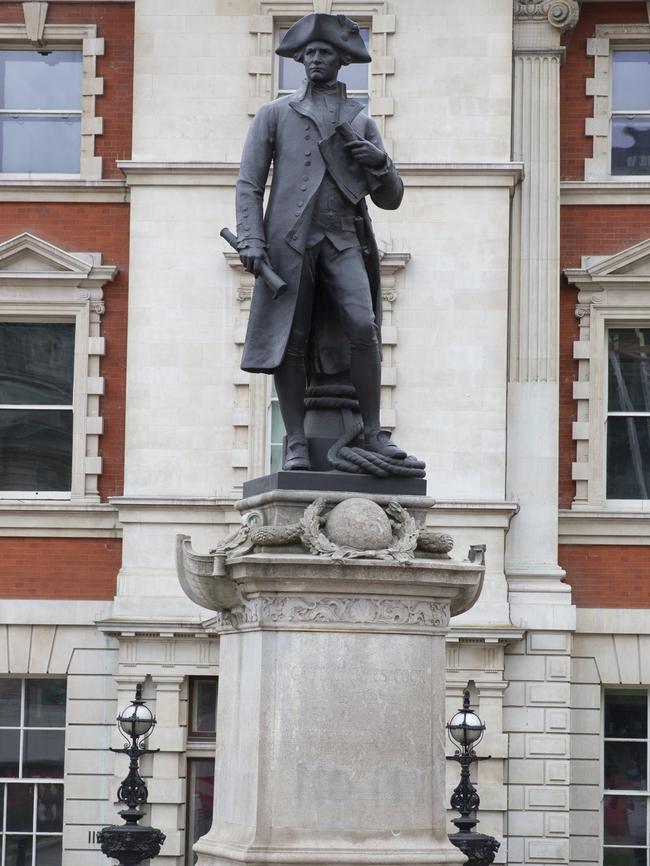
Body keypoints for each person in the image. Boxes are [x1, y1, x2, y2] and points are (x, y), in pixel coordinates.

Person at [236, 13, 406, 471]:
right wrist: (252, 237)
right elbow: (249, 183)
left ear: (341, 60)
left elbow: (390, 199)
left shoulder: (361, 122)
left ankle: (371, 432)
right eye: (308, 53)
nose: (314, 59)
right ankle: (294, 441)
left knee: (363, 327)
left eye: (324, 52)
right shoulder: (274, 114)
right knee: (290, 339)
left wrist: (381, 164)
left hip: (343, 236)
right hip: (289, 242)